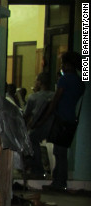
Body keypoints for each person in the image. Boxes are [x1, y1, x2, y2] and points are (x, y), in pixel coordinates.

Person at [40, 51, 85, 191]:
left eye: (63, 63)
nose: (62, 66)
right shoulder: (80, 82)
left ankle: (58, 182)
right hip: (71, 119)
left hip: (61, 119)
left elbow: (56, 99)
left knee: (58, 152)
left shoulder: (65, 80)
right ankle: (60, 181)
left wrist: (46, 115)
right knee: (62, 152)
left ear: (68, 64)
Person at [23, 72, 54, 179]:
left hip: (39, 126)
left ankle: (37, 169)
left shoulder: (34, 97)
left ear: (39, 82)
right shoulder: (53, 95)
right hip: (52, 127)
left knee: (31, 139)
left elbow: (26, 114)